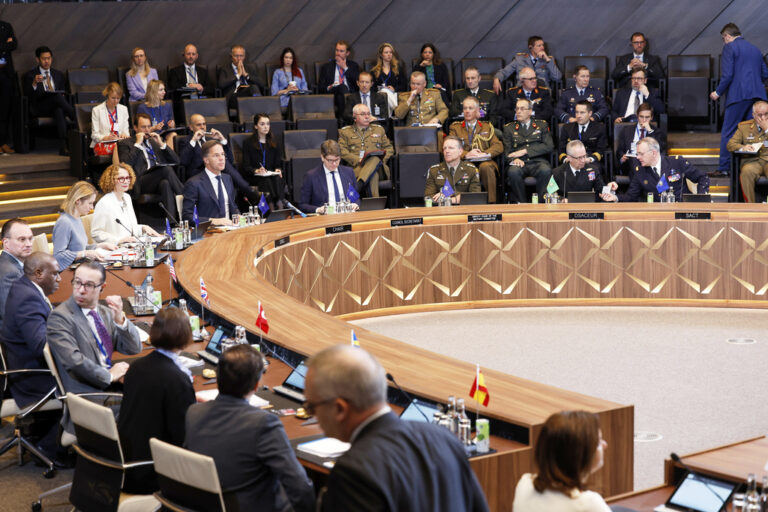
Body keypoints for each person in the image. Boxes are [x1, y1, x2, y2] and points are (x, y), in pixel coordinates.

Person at [305, 345, 489, 512]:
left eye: (311, 407)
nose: (312, 415)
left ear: (340, 409)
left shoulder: (353, 472)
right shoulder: (444, 438)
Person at [185, 344, 315, 512]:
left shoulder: (194, 412)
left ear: (217, 378)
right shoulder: (263, 424)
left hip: (202, 503)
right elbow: (300, 487)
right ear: (255, 386)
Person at [118, 308, 196, 494]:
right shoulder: (177, 380)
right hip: (153, 473)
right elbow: (184, 436)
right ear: (186, 336)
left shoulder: (136, 366)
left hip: (125, 462)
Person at [47, 260, 142, 397]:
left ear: (102, 287)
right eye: (77, 282)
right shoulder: (60, 317)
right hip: (86, 393)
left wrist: (120, 320)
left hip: (109, 381)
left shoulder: (105, 313)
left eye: (89, 285)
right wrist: (109, 375)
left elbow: (133, 348)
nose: (81, 290)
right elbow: (74, 362)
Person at [1, 252, 61, 462]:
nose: (60, 278)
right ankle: (50, 446)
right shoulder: (28, 298)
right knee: (87, 379)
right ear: (38, 273)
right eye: (55, 274)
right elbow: (40, 346)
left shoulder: (23, 287)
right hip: (32, 378)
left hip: (23, 366)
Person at [512, 410, 611, 512]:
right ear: (579, 454)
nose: (605, 444)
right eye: (598, 442)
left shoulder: (524, 483)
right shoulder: (589, 503)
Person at [710, 23, 768, 177]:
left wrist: (718, 92)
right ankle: (750, 166)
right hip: (758, 96)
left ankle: (724, 167)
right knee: (753, 132)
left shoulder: (730, 47)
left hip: (738, 95)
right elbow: (765, 73)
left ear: (727, 36)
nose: (724, 42)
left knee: (729, 131)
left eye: (724, 39)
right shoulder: (755, 49)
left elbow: (727, 74)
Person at [117, 113, 183, 221]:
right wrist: (137, 144)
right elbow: (125, 165)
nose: (147, 130)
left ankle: (172, 223)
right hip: (140, 181)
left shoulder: (153, 141)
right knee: (166, 170)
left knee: (165, 183)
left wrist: (161, 144)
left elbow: (176, 161)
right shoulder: (126, 143)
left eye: (149, 126)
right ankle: (187, 199)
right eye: (143, 127)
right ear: (135, 128)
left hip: (157, 178)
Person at [605, 137, 710, 202]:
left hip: (681, 210)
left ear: (653, 153)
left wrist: (700, 200)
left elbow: (703, 177)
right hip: (659, 213)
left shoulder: (676, 162)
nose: (637, 157)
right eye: (637, 154)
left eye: (641, 154)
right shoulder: (640, 172)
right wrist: (615, 197)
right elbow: (631, 196)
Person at [178, 113, 252, 197]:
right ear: (191, 127)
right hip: (199, 172)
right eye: (198, 125)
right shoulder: (186, 141)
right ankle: (249, 191)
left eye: (204, 124)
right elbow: (183, 162)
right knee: (222, 163)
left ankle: (247, 192)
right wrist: (194, 140)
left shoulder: (211, 140)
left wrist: (222, 139)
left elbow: (230, 159)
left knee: (224, 162)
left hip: (216, 169)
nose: (202, 127)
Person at [448, 95, 503, 202]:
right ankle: (467, 203)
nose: (467, 111)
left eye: (470, 108)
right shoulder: (455, 128)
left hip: (485, 161)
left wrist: (485, 154)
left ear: (477, 110)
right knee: (468, 167)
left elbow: (498, 146)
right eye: (465, 108)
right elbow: (450, 147)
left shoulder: (487, 126)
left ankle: (491, 203)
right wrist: (466, 154)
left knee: (486, 167)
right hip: (465, 161)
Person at [22, 46, 75, 155]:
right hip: (40, 107)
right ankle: (75, 115)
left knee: (58, 109)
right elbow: (27, 96)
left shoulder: (58, 74)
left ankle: (63, 146)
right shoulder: (30, 75)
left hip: (56, 106)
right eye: (43, 59)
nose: (46, 61)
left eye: (49, 58)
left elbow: (63, 92)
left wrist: (61, 96)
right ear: (37, 59)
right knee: (57, 97)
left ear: (52, 59)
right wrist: (34, 83)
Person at [91, 163, 160, 244]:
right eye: (121, 178)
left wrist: (143, 228)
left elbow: (128, 228)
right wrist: (118, 240)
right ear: (111, 180)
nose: (126, 181)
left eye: (128, 178)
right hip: (114, 248)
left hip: (130, 246)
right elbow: (96, 233)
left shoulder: (127, 197)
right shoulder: (104, 203)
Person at [53, 181, 117, 268]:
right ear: (78, 201)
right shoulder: (64, 222)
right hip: (68, 271)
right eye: (90, 203)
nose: (92, 207)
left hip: (80, 266)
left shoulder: (77, 218)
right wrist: (85, 253)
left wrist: (100, 246)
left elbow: (79, 248)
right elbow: (58, 255)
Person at [503, 98, 554, 203]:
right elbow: (507, 152)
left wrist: (525, 151)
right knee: (513, 172)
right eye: (517, 109)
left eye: (522, 109)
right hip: (519, 162)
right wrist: (514, 159)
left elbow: (549, 146)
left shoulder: (542, 125)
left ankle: (541, 203)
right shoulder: (509, 128)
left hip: (538, 161)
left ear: (530, 111)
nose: (518, 111)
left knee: (546, 170)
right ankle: (522, 203)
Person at [338, 104, 394, 197]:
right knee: (373, 175)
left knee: (375, 158)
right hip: (357, 168)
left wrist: (381, 161)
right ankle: (375, 205)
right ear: (355, 117)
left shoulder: (378, 130)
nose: (367, 116)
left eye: (368, 114)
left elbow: (389, 148)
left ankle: (357, 188)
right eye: (363, 114)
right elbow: (342, 151)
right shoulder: (345, 132)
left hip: (380, 169)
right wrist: (359, 160)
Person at [182, 140, 238, 225]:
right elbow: (187, 217)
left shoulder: (227, 178)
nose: (221, 158)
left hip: (231, 228)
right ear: (206, 160)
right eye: (216, 155)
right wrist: (214, 221)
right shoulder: (194, 183)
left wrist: (237, 215)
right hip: (209, 230)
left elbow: (233, 207)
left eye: (223, 154)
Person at [299, 139, 360, 214]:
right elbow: (303, 205)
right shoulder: (311, 176)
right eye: (330, 160)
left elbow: (355, 198)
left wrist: (355, 204)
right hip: (325, 218)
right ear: (322, 157)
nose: (334, 164)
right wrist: (318, 209)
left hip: (347, 216)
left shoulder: (348, 172)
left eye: (337, 160)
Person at [241, 113, 287, 209]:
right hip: (254, 176)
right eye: (262, 124)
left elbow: (277, 164)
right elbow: (246, 166)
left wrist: (278, 169)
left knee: (277, 178)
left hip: (270, 174)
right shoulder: (248, 143)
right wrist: (257, 170)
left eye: (268, 124)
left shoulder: (275, 142)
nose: (266, 127)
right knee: (266, 181)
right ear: (255, 126)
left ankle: (279, 203)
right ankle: (271, 207)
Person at [727, 100, 768, 203]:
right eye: (760, 115)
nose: (763, 118)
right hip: (752, 162)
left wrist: (767, 129)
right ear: (754, 115)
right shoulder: (744, 127)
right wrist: (742, 147)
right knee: (746, 172)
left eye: (766, 114)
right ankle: (750, 206)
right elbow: (730, 144)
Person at [493, 36, 562, 94]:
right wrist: (496, 79)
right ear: (531, 47)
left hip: (542, 91)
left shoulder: (548, 60)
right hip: (522, 91)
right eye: (539, 46)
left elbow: (558, 77)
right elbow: (504, 72)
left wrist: (547, 59)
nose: (542, 48)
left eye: (542, 45)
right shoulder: (519, 59)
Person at [424, 136, 481, 205]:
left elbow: (475, 197)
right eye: (444, 148)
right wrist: (458, 197)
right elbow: (428, 198)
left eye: (451, 148)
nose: (447, 151)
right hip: (441, 210)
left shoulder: (471, 170)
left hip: (464, 209)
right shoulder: (434, 170)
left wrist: (448, 196)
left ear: (460, 151)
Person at [0, 218, 34, 330]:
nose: (28, 244)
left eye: (30, 239)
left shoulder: (13, 265)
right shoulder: (9, 273)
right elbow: (13, 317)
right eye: (22, 239)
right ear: (6, 243)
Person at [616, 103, 666, 175]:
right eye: (641, 117)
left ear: (651, 117)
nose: (644, 120)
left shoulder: (657, 132)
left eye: (647, 117)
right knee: (635, 162)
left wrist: (650, 131)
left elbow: (659, 149)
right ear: (637, 116)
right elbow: (619, 150)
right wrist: (622, 157)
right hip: (630, 163)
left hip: (648, 163)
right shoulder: (626, 130)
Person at [557, 101, 607, 169]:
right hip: (571, 161)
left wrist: (590, 159)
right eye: (577, 112)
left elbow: (600, 149)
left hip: (590, 161)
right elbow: (561, 149)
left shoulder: (599, 128)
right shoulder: (567, 128)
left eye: (582, 113)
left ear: (590, 113)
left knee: (595, 169)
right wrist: (566, 159)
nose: (578, 116)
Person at [318, 40, 361, 116]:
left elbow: (358, 83)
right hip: (332, 93)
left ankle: (342, 119)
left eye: (341, 51)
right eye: (337, 50)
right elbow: (320, 87)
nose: (338, 53)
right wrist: (329, 87)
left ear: (347, 53)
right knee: (342, 87)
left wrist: (345, 68)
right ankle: (347, 117)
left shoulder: (353, 66)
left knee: (341, 94)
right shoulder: (326, 67)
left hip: (349, 94)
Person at [217, 44, 266, 109]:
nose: (239, 59)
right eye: (236, 56)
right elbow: (221, 85)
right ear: (231, 56)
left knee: (254, 87)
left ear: (244, 57)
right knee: (253, 88)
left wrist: (246, 75)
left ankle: (259, 109)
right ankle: (260, 109)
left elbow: (262, 84)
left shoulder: (250, 68)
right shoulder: (224, 69)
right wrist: (238, 75)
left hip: (249, 97)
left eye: (241, 56)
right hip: (234, 98)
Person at [90, 82, 130, 153]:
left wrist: (124, 135)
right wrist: (106, 138)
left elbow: (126, 131)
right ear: (107, 96)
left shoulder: (124, 109)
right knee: (121, 149)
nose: (116, 101)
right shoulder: (97, 110)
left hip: (120, 143)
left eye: (118, 98)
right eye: (113, 98)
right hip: (103, 143)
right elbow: (94, 135)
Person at [137, 79, 176, 147]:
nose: (164, 92)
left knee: (173, 135)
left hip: (164, 134)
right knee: (154, 138)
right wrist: (154, 128)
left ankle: (168, 153)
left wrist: (171, 124)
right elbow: (139, 130)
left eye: (164, 89)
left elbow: (172, 124)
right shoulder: (142, 108)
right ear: (153, 92)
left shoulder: (167, 106)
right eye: (161, 90)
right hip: (151, 135)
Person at [0, 18, 16, 154]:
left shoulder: (6, 26)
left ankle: (3, 143)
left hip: (6, 74)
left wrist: (5, 45)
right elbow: (8, 45)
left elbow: (14, 44)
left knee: (5, 110)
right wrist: (5, 44)